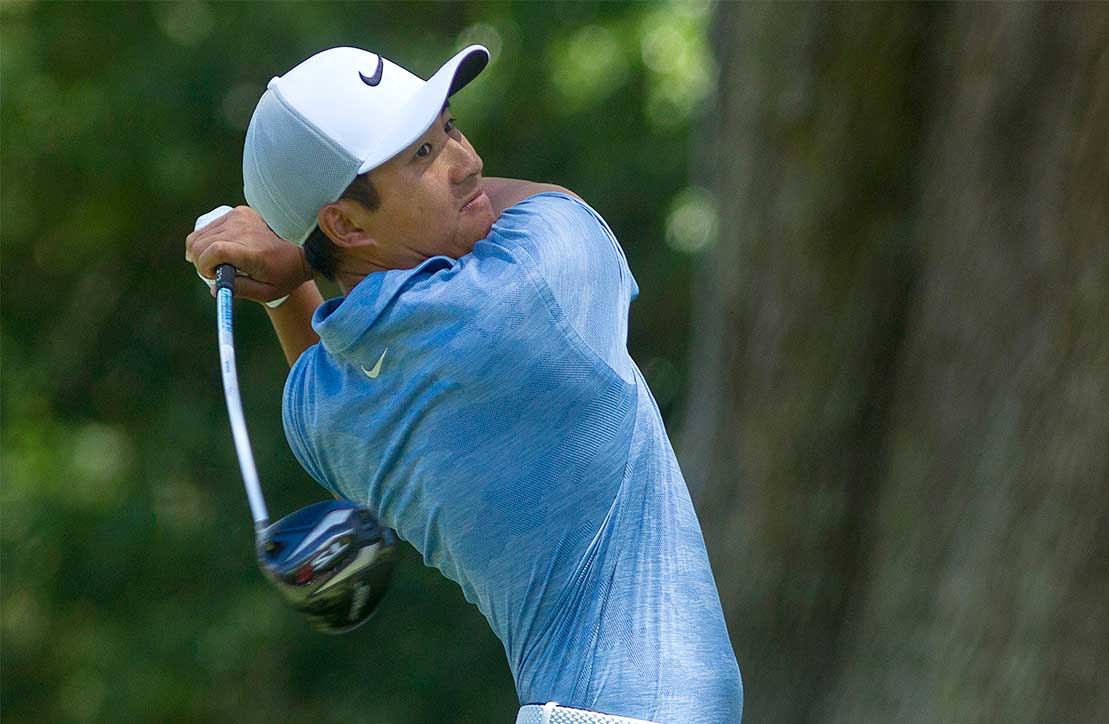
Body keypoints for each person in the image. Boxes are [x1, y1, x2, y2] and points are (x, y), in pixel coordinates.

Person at [184, 44, 742, 724]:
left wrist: (291, 275)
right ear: (344, 222)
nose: (467, 160)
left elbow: (318, 365)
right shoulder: (532, 291)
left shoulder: (317, 418)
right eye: (422, 156)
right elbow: (556, 205)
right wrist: (296, 263)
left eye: (448, 127)